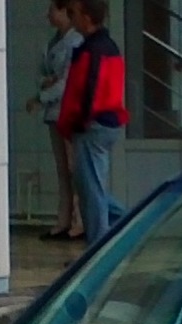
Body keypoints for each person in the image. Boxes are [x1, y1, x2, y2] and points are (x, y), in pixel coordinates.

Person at [57, 0, 129, 248]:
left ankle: (97, 248)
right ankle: (130, 223)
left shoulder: (92, 50)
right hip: (102, 123)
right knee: (92, 187)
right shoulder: (107, 47)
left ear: (86, 17)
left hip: (92, 125)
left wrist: (76, 123)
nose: (71, 17)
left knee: (91, 192)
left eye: (73, 13)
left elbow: (88, 91)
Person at [25, 0, 84, 241]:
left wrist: (41, 97)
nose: (48, 14)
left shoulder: (75, 42)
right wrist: (46, 83)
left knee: (73, 169)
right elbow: (43, 74)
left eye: (52, 10)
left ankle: (79, 221)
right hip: (54, 114)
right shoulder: (52, 42)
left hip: (68, 113)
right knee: (63, 171)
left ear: (64, 12)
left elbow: (67, 82)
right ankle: (63, 221)